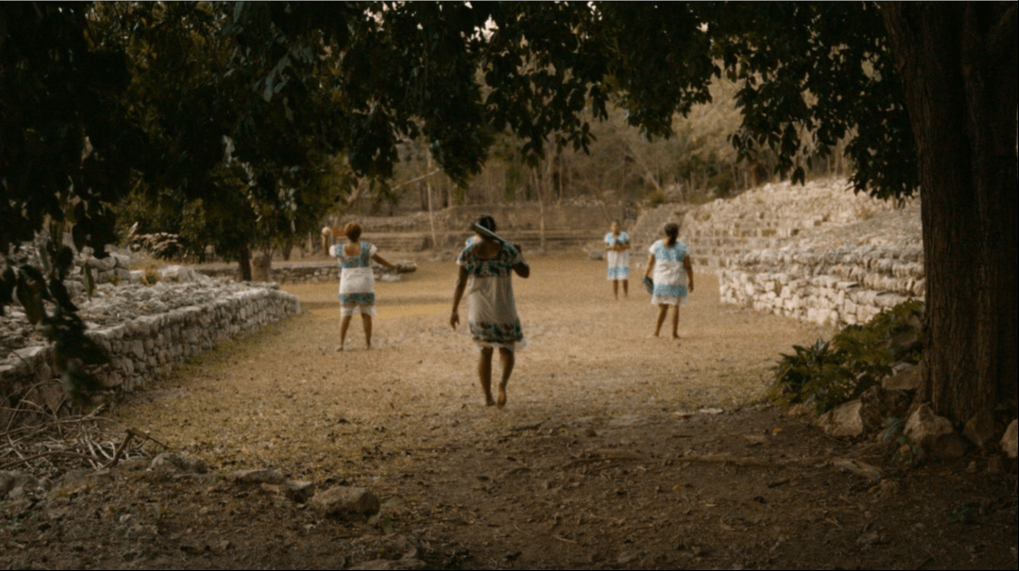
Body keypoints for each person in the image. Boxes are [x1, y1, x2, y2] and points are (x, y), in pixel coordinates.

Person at [450, 215, 531, 408]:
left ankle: (487, 396)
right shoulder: (507, 250)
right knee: (506, 349)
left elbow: (460, 283)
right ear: (494, 228)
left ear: (477, 232)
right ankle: (502, 384)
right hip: (503, 306)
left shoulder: (467, 252)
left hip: (478, 310)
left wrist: (454, 310)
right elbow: (525, 273)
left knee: (484, 352)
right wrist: (520, 254)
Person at [328, 222, 397, 350]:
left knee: (345, 314)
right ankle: (368, 343)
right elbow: (380, 260)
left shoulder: (339, 249)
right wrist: (393, 266)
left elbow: (327, 249)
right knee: (366, 314)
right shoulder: (367, 247)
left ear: (346, 234)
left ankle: (341, 344)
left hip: (347, 285)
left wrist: (324, 236)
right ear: (360, 233)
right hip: (364, 284)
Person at [645, 222, 695, 339]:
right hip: (677, 279)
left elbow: (650, 262)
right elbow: (688, 266)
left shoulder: (656, 245)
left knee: (663, 307)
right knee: (675, 306)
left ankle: (656, 332)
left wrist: (645, 275)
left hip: (661, 279)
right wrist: (692, 280)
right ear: (677, 233)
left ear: (664, 232)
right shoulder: (683, 247)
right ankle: (674, 333)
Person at [604, 221, 631, 299]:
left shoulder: (624, 235)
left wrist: (622, 246)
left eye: (617, 226)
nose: (615, 228)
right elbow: (605, 247)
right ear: (611, 227)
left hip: (623, 257)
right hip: (613, 258)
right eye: (613, 226)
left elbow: (629, 245)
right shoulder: (608, 236)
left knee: (624, 277)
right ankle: (615, 295)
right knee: (614, 278)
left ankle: (626, 293)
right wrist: (612, 247)